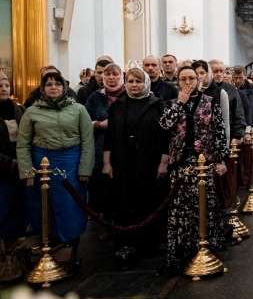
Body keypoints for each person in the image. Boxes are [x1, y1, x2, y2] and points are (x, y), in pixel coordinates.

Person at [16, 69, 94, 262]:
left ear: (64, 87)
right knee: (44, 205)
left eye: (57, 84)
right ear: (42, 89)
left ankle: (69, 245)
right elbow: (23, 143)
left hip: (70, 161)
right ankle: (48, 246)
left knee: (69, 205)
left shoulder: (78, 109)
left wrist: (85, 169)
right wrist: (26, 171)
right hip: (41, 162)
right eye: (49, 84)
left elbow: (87, 141)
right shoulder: (32, 112)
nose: (53, 87)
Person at [158, 65, 229, 273]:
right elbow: (164, 125)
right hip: (179, 163)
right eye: (183, 79)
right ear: (178, 81)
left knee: (204, 204)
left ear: (199, 80)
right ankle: (183, 248)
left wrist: (220, 159)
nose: (188, 82)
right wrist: (179, 102)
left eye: (192, 78)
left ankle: (206, 245)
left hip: (203, 162)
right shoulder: (172, 103)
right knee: (180, 208)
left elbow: (218, 131)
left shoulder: (210, 102)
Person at [102, 67, 169, 267]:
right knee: (124, 203)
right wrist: (107, 163)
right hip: (123, 162)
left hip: (149, 161)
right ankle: (127, 244)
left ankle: (150, 244)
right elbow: (110, 137)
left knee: (149, 201)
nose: (134, 85)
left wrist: (163, 162)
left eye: (138, 81)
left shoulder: (157, 105)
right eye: (130, 81)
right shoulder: (118, 106)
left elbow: (165, 136)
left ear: (145, 82)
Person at [85, 63, 127, 219]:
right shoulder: (95, 97)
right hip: (100, 149)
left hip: (124, 149)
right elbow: (84, 122)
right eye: (107, 74)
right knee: (102, 187)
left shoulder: (129, 94)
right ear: (102, 77)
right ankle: (104, 224)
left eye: (115, 74)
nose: (111, 78)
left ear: (122, 76)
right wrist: (99, 124)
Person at [0, 75, 26, 279]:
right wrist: (10, 163)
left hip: (18, 170)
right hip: (4, 169)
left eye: (7, 84)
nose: (4, 88)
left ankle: (12, 255)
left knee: (16, 212)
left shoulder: (19, 109)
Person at [210, 59, 248, 140]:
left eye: (221, 71)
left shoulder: (231, 89)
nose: (219, 74)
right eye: (215, 71)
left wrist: (238, 135)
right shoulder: (204, 89)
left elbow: (238, 113)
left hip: (227, 132)